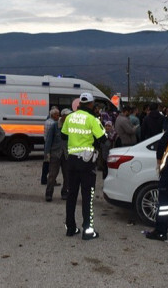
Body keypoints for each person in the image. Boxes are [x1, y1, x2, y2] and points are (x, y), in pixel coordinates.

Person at [61, 93, 107, 240]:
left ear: (80, 103)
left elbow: (63, 135)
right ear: (92, 104)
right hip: (86, 162)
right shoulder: (92, 119)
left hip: (72, 160)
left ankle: (70, 228)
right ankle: (88, 231)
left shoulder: (70, 117)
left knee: (71, 195)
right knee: (88, 196)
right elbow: (103, 138)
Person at [44, 108, 64, 201]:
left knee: (67, 176)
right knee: (52, 175)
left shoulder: (70, 126)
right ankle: (49, 194)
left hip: (66, 155)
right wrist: (47, 154)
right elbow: (48, 141)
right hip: (55, 154)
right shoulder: (54, 126)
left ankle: (65, 193)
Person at [41, 107, 59, 184]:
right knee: (52, 164)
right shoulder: (53, 124)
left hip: (47, 144)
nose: (58, 116)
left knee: (46, 163)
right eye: (57, 115)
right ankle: (51, 180)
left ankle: (44, 179)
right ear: (53, 115)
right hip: (51, 146)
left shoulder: (47, 121)